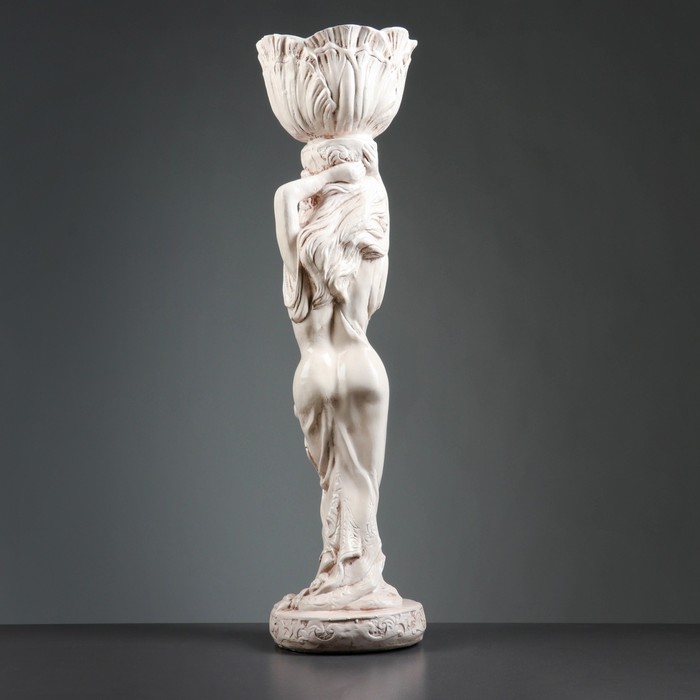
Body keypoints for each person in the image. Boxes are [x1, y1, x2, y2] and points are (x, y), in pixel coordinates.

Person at [272, 136, 402, 612]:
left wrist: (322, 178)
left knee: (334, 483)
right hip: (362, 365)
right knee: (363, 482)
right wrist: (364, 173)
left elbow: (285, 196)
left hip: (316, 371)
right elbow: (377, 196)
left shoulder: (299, 258)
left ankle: (332, 573)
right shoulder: (370, 243)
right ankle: (363, 580)